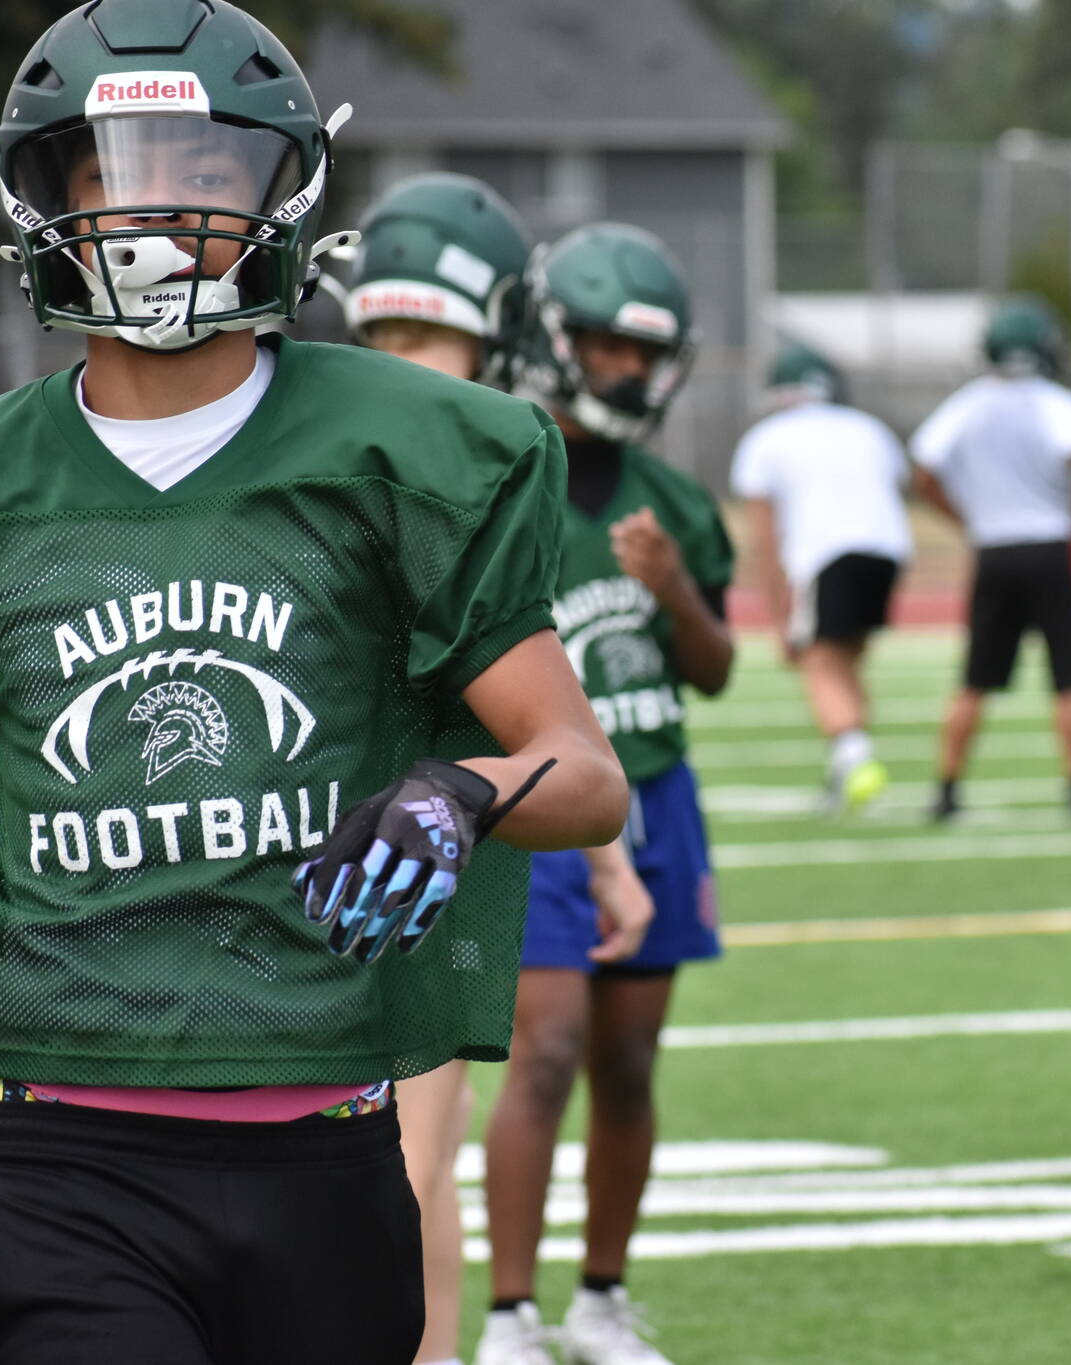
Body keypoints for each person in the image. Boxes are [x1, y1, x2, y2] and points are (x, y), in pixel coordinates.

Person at [0, 5, 631, 1364]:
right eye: (123, 168)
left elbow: (584, 770)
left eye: (207, 171)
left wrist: (466, 786)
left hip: (326, 1153)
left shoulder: (409, 454)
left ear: (278, 197)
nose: (163, 205)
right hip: (64, 1155)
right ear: (54, 195)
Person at [343, 170, 622, 1365]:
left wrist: (609, 874)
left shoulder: (475, 471)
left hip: (416, 850)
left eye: (425, 335)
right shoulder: (408, 457)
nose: (408, 361)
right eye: (388, 334)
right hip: (333, 852)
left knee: (405, 1167)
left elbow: (550, 725)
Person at [476, 223, 735, 1365]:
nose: (627, 373)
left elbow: (715, 671)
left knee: (628, 1064)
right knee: (544, 1053)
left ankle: (599, 1298)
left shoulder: (670, 500)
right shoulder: (496, 472)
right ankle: (508, 1313)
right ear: (552, 336)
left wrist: (676, 590)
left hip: (656, 794)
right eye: (603, 346)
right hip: (542, 809)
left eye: (644, 354)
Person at [911, 295, 1071, 823]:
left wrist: (967, 519)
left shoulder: (967, 404)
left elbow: (924, 469)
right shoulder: (1057, 403)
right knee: (1068, 676)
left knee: (975, 676)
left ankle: (947, 790)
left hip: (994, 549)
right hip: (1050, 546)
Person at [731, 336, 911, 810]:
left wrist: (777, 617)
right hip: (888, 551)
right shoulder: (869, 427)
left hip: (825, 554)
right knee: (846, 658)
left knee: (818, 662)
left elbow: (765, 541)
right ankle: (844, 769)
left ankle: (855, 757)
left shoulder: (765, 440)